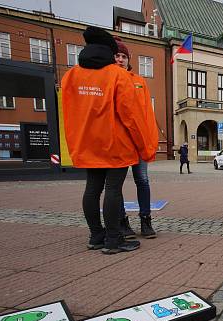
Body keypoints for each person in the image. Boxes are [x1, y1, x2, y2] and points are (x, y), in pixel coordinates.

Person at [61, 26, 157, 254]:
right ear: (109, 52)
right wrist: (145, 148)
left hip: (86, 143)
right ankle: (114, 240)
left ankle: (96, 235)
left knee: (92, 188)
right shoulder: (118, 76)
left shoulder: (71, 75)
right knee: (113, 189)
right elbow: (131, 117)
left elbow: (68, 112)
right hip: (115, 145)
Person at [113, 37, 158, 239]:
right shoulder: (108, 79)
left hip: (138, 139)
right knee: (116, 183)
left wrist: (149, 138)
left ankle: (146, 220)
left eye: (123, 56)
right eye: (117, 55)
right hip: (119, 141)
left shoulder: (139, 81)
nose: (120, 59)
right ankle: (122, 221)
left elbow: (147, 112)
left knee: (143, 179)